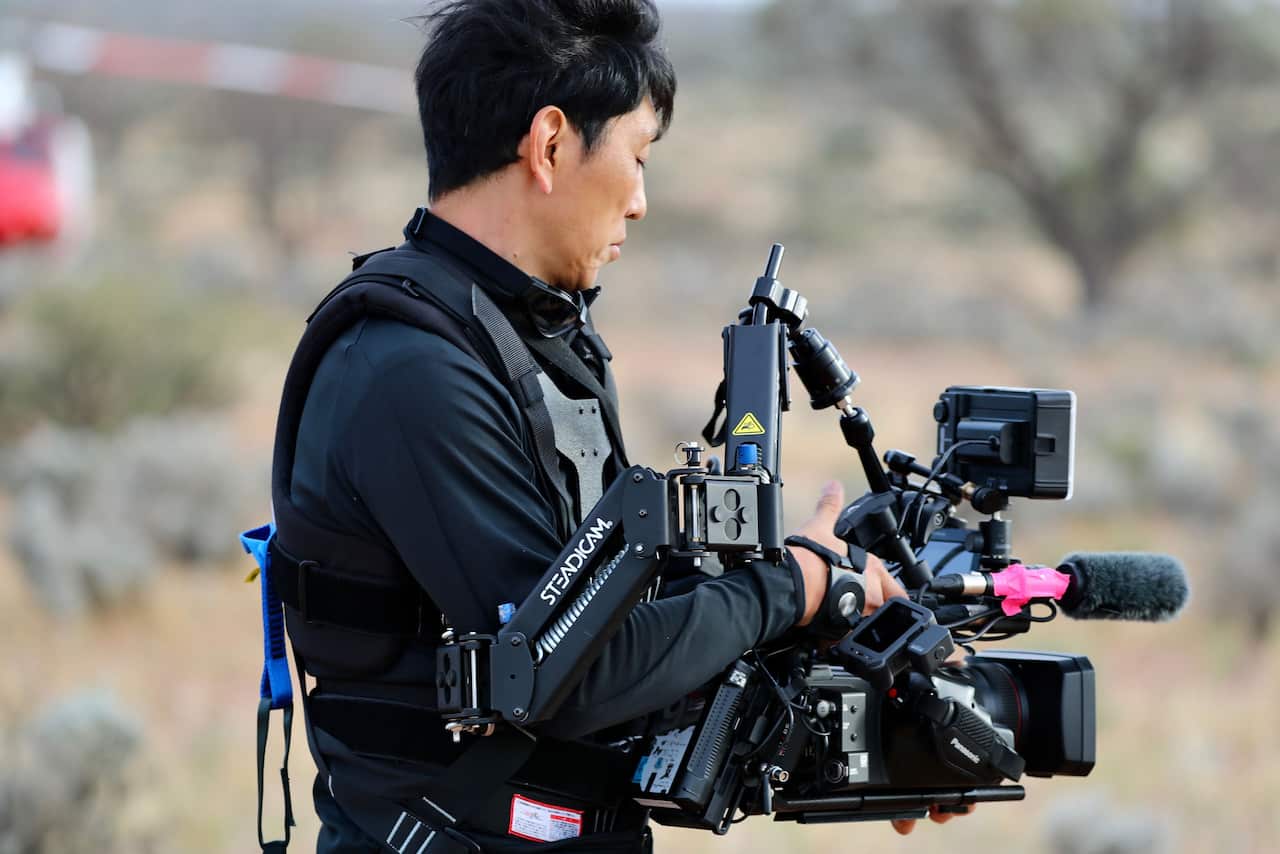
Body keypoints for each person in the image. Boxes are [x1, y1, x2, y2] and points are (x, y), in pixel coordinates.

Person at [268, 1, 965, 850]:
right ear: (551, 144)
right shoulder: (409, 371)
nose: (639, 202)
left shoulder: (533, 338)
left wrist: (875, 714)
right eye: (637, 157)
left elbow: (634, 631)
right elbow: (574, 672)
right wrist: (791, 586)